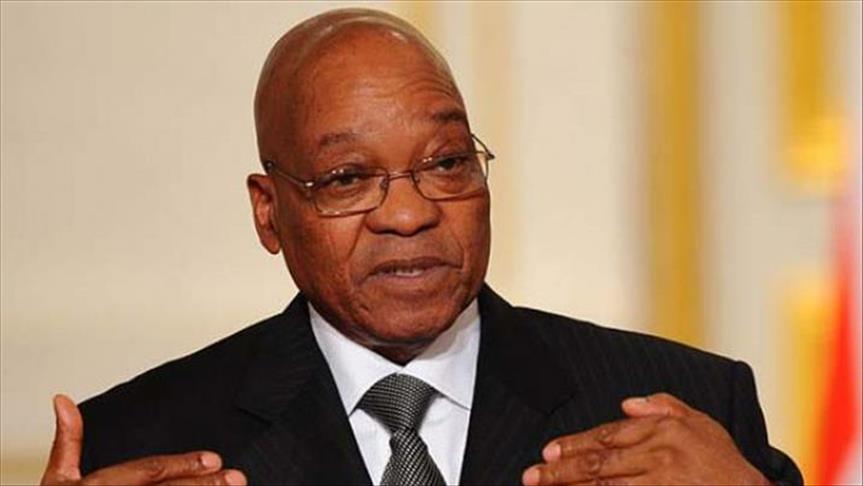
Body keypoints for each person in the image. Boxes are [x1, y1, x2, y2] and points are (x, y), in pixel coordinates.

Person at [40, 8, 802, 486]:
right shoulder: (143, 440)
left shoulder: (683, 409)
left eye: (445, 163)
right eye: (347, 178)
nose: (408, 214)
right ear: (269, 214)